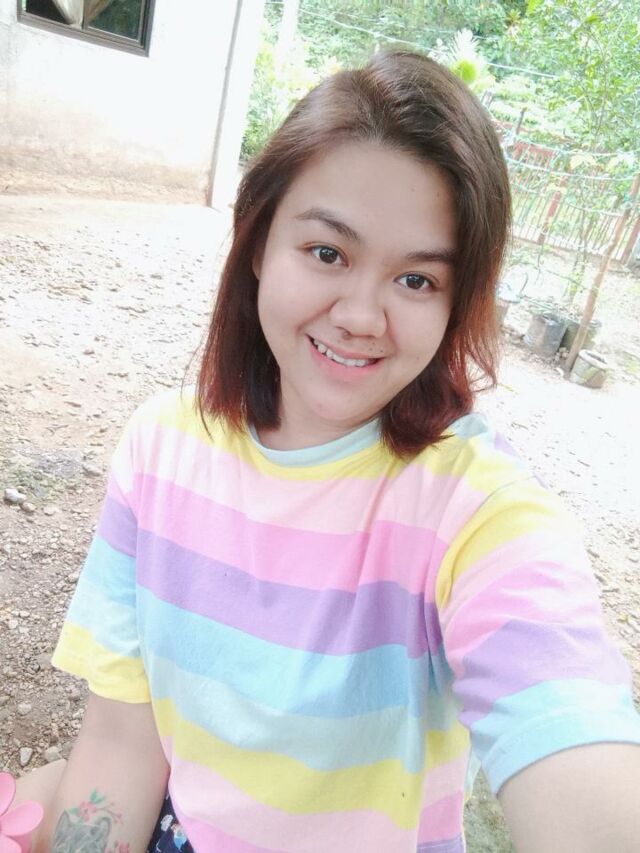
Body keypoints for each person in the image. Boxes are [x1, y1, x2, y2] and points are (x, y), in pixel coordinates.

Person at [18, 51, 640, 853]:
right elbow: (121, 742)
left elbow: (570, 717)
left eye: (416, 280)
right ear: (258, 243)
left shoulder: (472, 509)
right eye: (327, 253)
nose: (361, 317)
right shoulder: (160, 451)